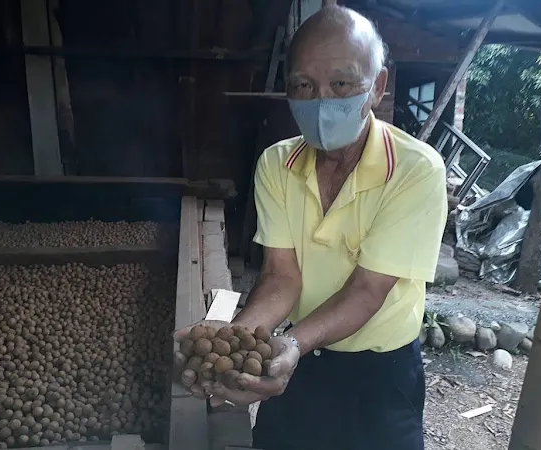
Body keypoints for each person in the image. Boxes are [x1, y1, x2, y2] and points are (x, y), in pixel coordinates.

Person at [174, 5, 448, 450]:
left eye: (341, 83)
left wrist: (292, 344)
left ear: (377, 86)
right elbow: (283, 277)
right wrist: (235, 338)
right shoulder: (276, 164)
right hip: (301, 361)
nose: (322, 100)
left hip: (378, 375)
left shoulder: (416, 171)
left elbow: (367, 290)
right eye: (303, 85)